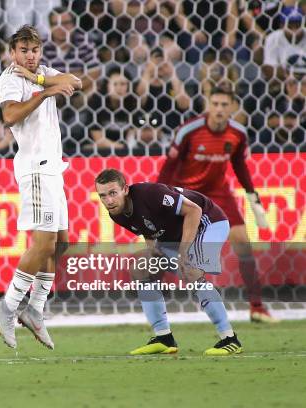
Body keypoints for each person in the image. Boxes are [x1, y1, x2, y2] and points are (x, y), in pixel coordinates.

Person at [0, 25, 82, 350]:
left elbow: (76, 82)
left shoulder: (42, 72)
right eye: (24, 51)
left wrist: (41, 80)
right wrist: (42, 92)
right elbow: (10, 115)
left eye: (34, 50)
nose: (30, 56)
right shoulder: (9, 79)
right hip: (35, 168)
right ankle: (7, 307)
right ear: (12, 53)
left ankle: (35, 309)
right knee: (42, 244)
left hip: (54, 168)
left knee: (61, 244)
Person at [157, 84, 278, 323]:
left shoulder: (238, 133)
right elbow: (169, 167)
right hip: (188, 194)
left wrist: (253, 197)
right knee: (165, 248)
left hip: (219, 195)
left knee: (243, 242)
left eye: (224, 105)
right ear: (208, 105)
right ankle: (152, 305)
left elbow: (240, 167)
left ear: (232, 107)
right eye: (215, 104)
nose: (219, 109)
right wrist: (160, 199)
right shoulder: (189, 131)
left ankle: (257, 307)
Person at [95, 169, 243, 356]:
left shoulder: (150, 194)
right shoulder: (116, 214)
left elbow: (194, 211)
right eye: (103, 196)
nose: (108, 200)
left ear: (125, 189)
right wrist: (151, 253)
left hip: (208, 221)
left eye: (112, 193)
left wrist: (182, 253)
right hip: (175, 235)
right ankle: (164, 338)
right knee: (141, 270)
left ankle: (230, 339)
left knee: (191, 271)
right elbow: (148, 229)